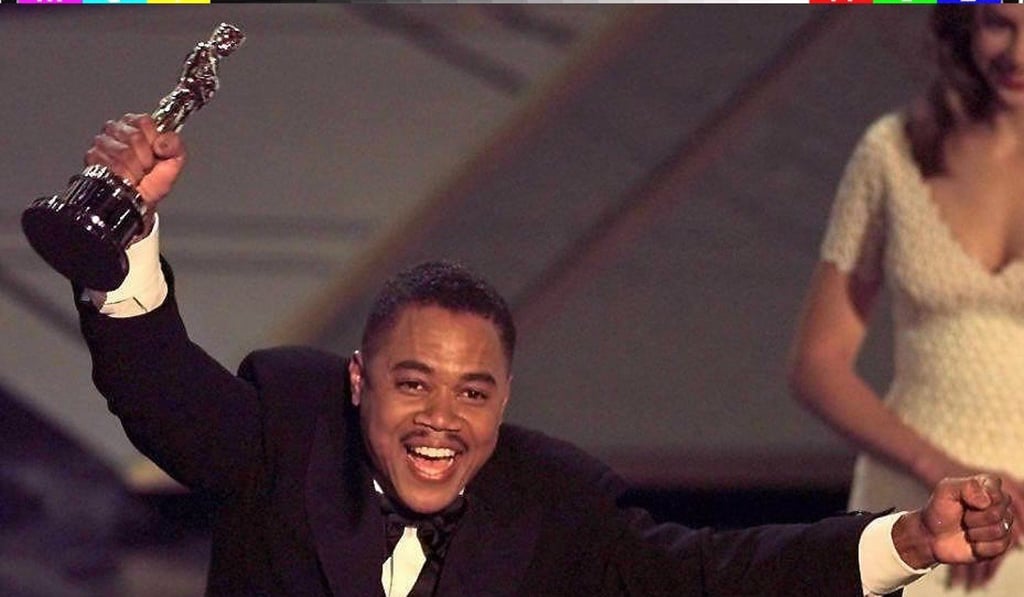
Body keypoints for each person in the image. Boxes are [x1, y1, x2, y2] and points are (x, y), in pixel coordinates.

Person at [70, 112, 1014, 597]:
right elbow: (161, 392)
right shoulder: (286, 426)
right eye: (413, 383)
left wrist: (915, 539)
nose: (443, 418)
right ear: (358, 381)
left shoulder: (553, 503)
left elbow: (715, 578)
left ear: (505, 398)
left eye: (473, 392)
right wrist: (127, 223)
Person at [788, 5, 1024, 596]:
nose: (1017, 54)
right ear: (963, 23)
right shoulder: (891, 152)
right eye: (1000, 23)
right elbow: (818, 364)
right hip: (910, 507)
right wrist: (939, 471)